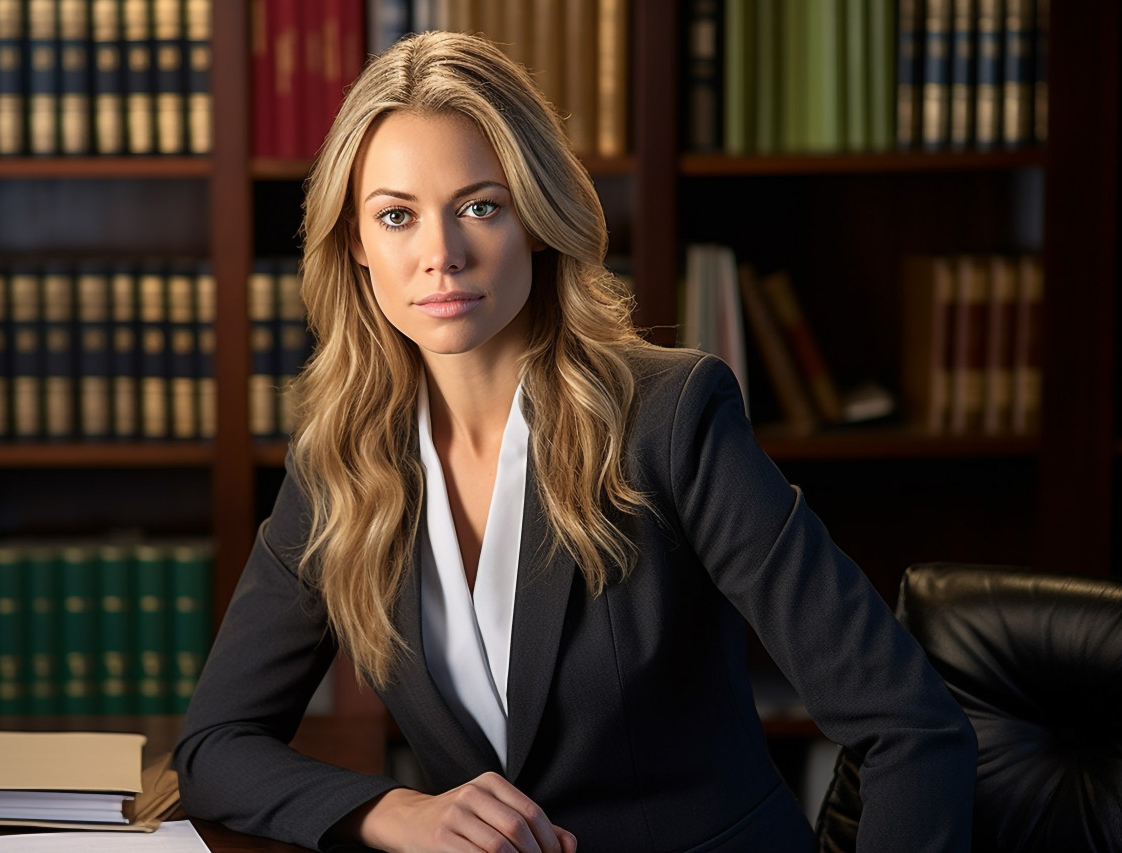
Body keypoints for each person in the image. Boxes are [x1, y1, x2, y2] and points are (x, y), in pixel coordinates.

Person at [174, 30, 977, 853]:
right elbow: (215, 748)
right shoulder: (341, 456)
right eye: (396, 217)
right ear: (357, 247)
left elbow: (910, 729)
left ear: (538, 220)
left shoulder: (670, 416)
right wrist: (398, 810)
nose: (440, 256)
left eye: (480, 206)